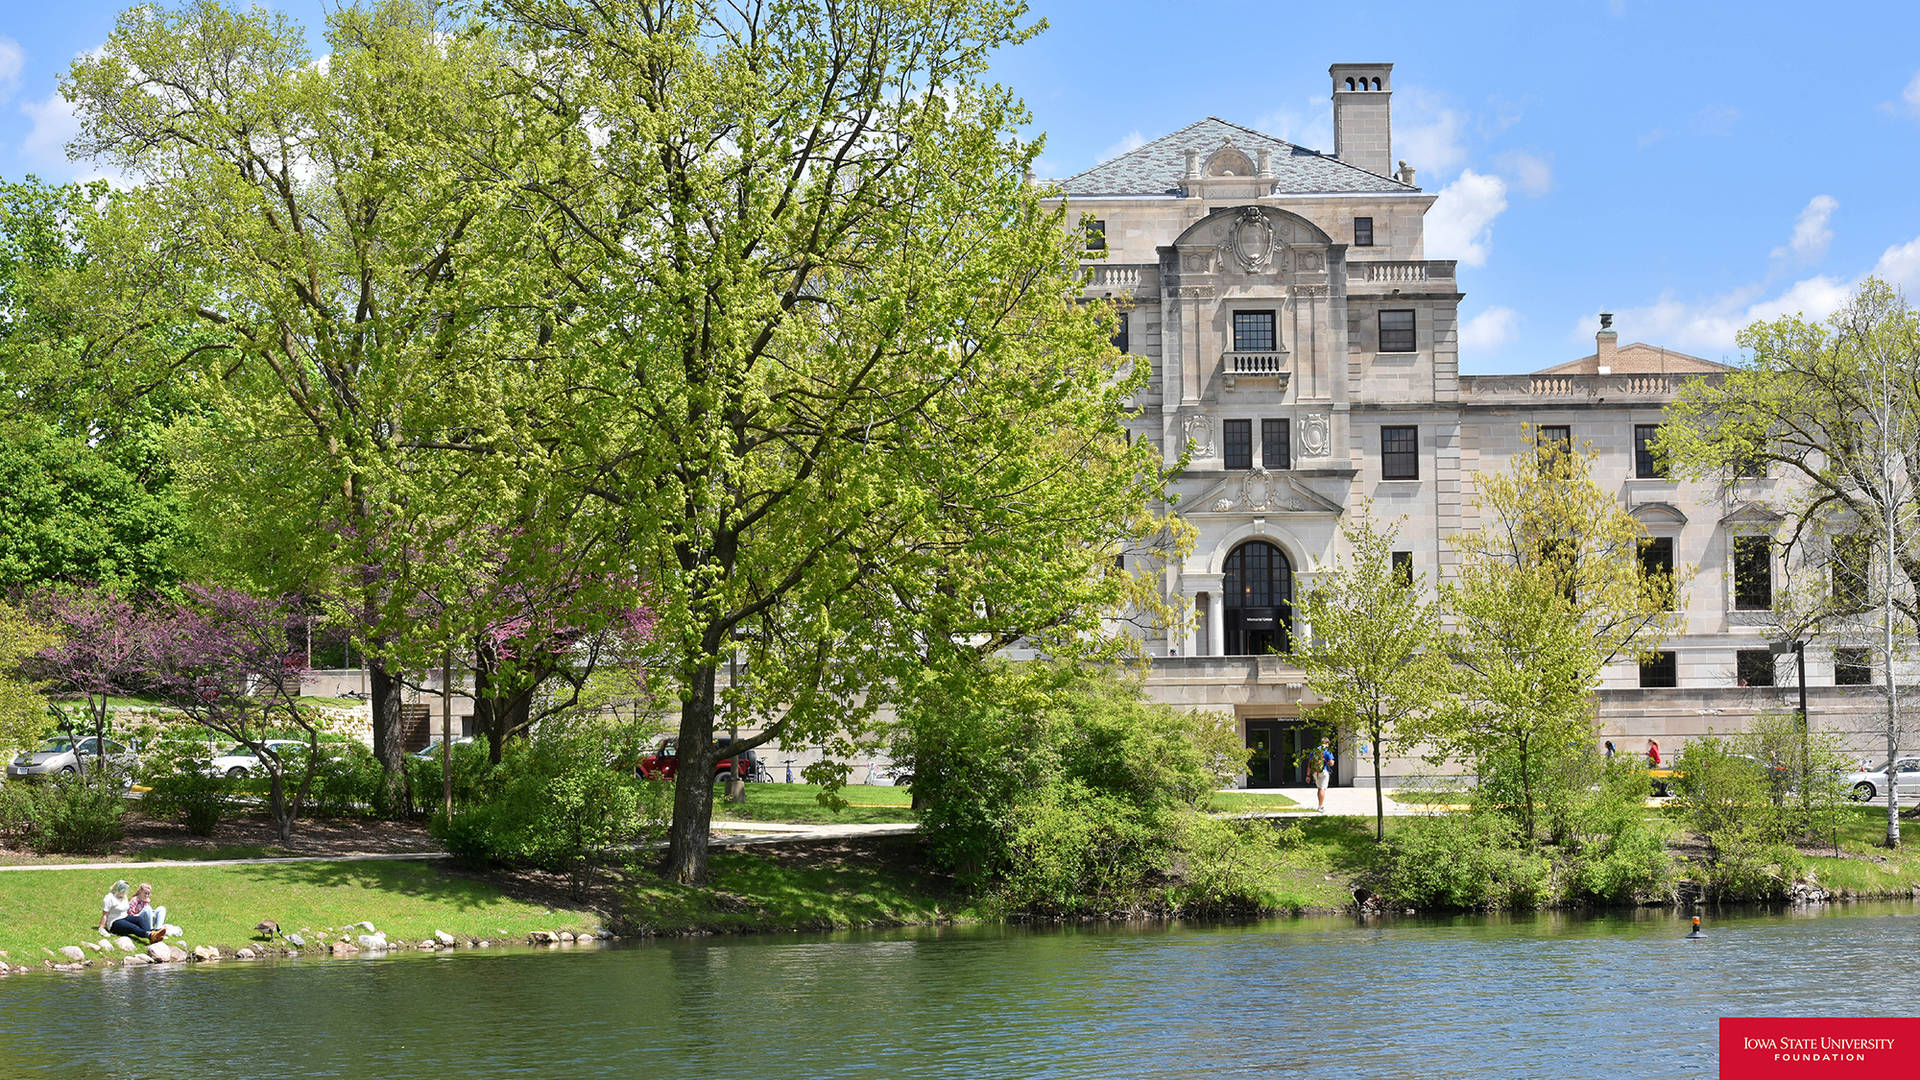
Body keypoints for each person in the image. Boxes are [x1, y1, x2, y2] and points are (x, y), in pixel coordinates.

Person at [100, 880, 165, 943]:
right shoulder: (109, 898)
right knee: (133, 927)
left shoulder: (124, 897)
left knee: (140, 919)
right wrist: (102, 928)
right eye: (122, 891)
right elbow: (105, 915)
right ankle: (150, 935)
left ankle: (153, 933)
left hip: (125, 916)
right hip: (114, 921)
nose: (123, 893)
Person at [1314, 741, 1333, 811]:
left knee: (1319, 788)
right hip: (1324, 771)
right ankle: (1320, 806)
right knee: (1322, 788)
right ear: (1327, 744)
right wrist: (1329, 762)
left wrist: (1308, 775)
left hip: (1315, 771)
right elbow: (1331, 763)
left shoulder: (1315, 750)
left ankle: (1319, 804)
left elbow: (1310, 763)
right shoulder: (1327, 751)